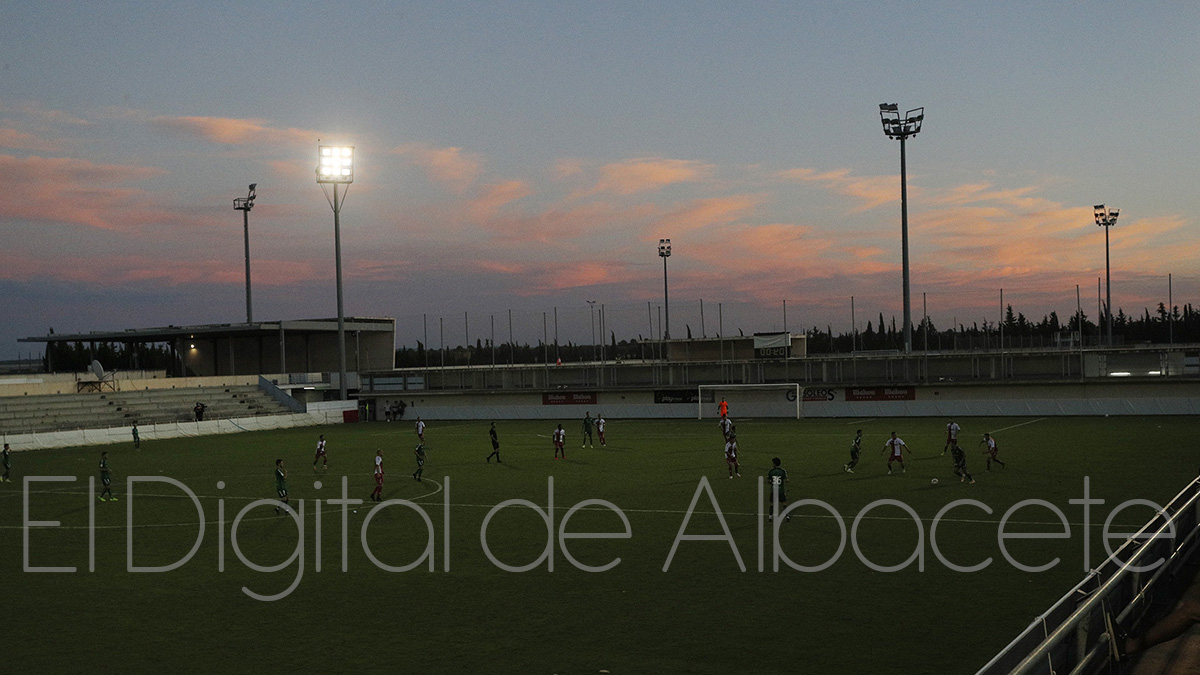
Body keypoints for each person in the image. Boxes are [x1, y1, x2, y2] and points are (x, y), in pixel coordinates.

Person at [766, 457, 790, 522]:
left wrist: (771, 481)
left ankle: (770, 517)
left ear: (774, 464)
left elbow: (768, 481)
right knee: (784, 503)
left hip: (773, 490)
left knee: (772, 503)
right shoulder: (782, 471)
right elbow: (787, 479)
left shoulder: (771, 471)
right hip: (781, 490)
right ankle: (787, 516)